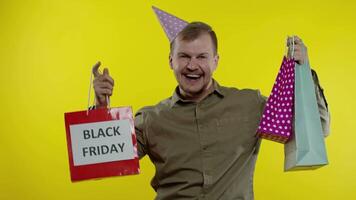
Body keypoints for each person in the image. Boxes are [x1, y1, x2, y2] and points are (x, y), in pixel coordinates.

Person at [91, 21, 329, 200]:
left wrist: (304, 73)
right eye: (183, 56)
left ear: (215, 61)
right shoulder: (151, 118)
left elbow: (318, 127)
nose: (192, 65)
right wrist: (102, 108)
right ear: (170, 61)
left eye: (201, 57)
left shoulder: (250, 105)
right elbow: (103, 163)